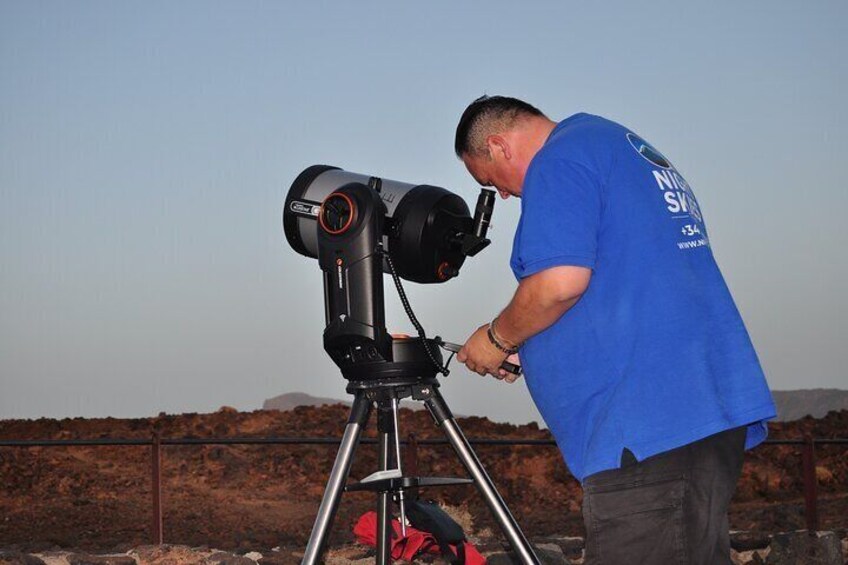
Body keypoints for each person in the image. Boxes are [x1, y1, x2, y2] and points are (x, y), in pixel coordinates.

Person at [453, 95, 776, 565]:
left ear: (499, 145)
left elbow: (559, 283)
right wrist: (533, 346)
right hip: (694, 413)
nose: (502, 195)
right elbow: (628, 280)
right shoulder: (615, 147)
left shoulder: (557, 160)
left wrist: (497, 337)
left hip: (646, 429)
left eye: (488, 180)